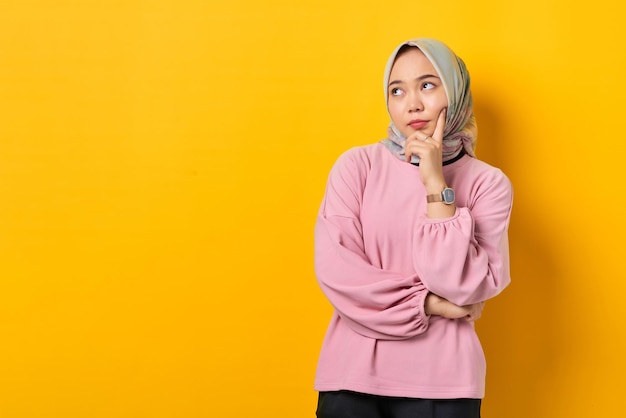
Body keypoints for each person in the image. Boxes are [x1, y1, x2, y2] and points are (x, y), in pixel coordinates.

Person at [313, 38, 513, 418]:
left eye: (427, 84)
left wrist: (436, 185)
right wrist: (427, 304)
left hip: (444, 382)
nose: (413, 104)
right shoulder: (357, 167)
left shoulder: (489, 183)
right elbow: (338, 273)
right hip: (352, 377)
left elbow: (462, 285)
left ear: (454, 90)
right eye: (397, 90)